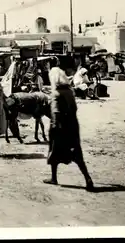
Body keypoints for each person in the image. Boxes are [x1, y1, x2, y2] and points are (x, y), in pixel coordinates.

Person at [45, 57, 94, 191]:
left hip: (60, 127)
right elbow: (74, 109)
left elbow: (55, 113)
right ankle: (87, 178)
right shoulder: (70, 92)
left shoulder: (56, 93)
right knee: (76, 153)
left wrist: (54, 128)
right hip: (72, 125)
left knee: (54, 152)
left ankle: (54, 178)